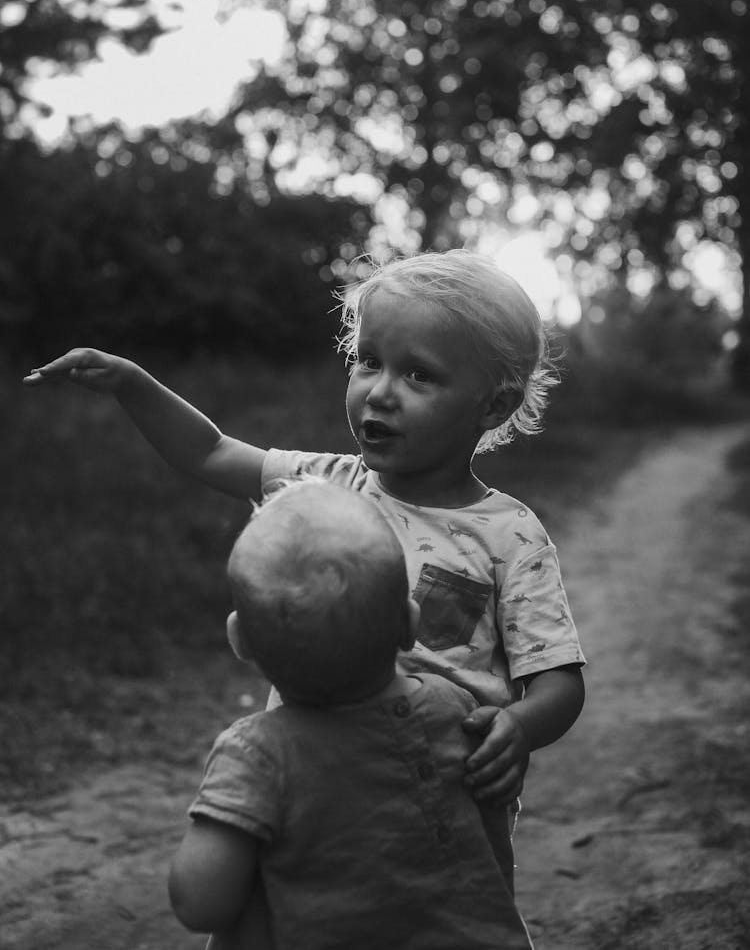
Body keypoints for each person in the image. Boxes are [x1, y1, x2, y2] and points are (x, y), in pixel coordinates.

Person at [25, 248, 585, 853]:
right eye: (369, 361)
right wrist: (133, 385)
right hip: (310, 777)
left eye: (419, 375)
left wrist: (518, 727)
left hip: (444, 806)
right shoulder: (328, 484)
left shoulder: (510, 535)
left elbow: (557, 682)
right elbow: (210, 452)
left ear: (493, 405)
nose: (381, 392)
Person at [169, 478, 534, 949]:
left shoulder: (256, 755)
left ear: (240, 640)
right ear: (409, 624)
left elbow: (201, 903)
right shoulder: (459, 711)